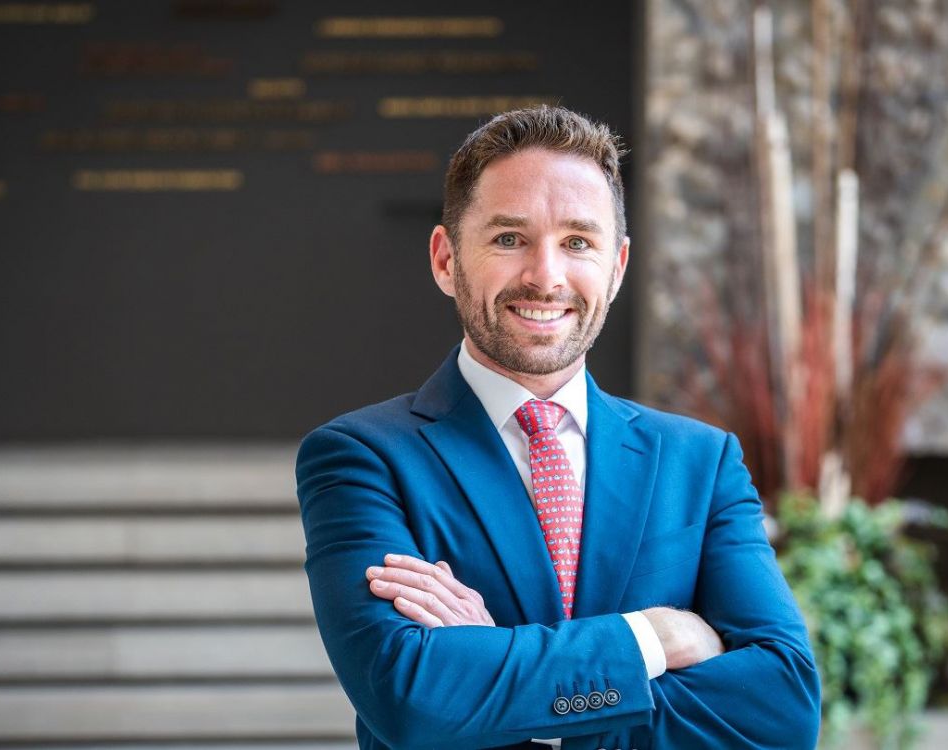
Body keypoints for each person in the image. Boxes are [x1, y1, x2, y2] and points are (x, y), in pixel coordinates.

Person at [296, 105, 820, 750]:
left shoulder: (701, 461)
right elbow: (409, 699)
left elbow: (785, 704)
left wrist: (508, 691)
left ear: (618, 266)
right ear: (445, 259)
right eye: (509, 238)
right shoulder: (362, 458)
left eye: (577, 242)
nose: (546, 277)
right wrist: (652, 638)